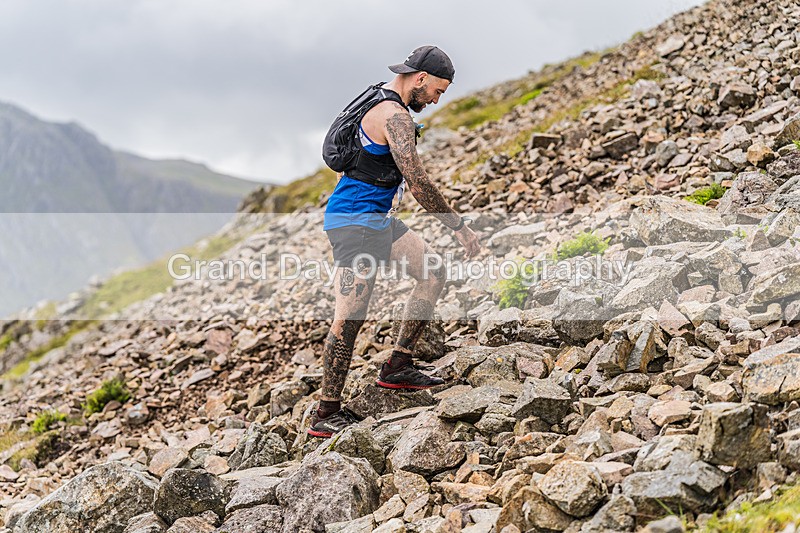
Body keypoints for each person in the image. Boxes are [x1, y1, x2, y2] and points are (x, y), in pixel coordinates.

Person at [308, 45, 481, 438]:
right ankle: (325, 413)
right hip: (355, 222)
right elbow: (417, 180)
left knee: (433, 271)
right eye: (438, 89)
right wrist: (459, 226)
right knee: (350, 314)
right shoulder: (395, 115)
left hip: (376, 219)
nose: (437, 98)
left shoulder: (377, 98)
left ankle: (398, 367)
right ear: (420, 79)